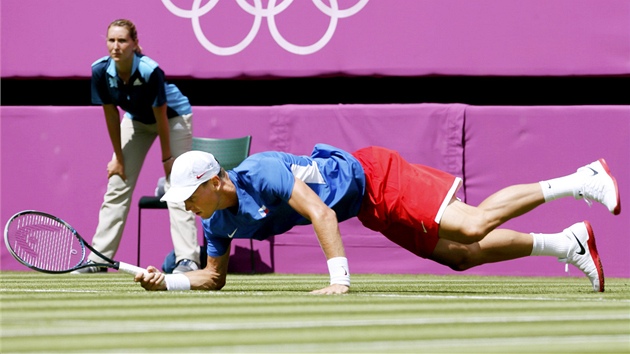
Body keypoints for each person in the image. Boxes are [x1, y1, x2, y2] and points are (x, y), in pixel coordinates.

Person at [135, 144, 621, 293]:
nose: (185, 205)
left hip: (375, 175)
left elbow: (321, 212)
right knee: (458, 256)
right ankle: (567, 244)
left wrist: (339, 280)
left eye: (189, 195)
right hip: (367, 206)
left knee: (471, 225)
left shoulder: (260, 171)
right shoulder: (216, 225)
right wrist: (170, 283)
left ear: (214, 181)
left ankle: (582, 179)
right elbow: (214, 278)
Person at [73, 19, 200, 274]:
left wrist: (168, 161)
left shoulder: (149, 71)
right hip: (135, 121)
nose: (116, 46)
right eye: (111, 40)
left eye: (122, 41)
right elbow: (111, 115)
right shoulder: (100, 72)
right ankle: (99, 259)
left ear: (134, 44)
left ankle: (188, 259)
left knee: (177, 186)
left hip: (173, 119)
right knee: (117, 184)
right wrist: (118, 158)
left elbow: (161, 117)